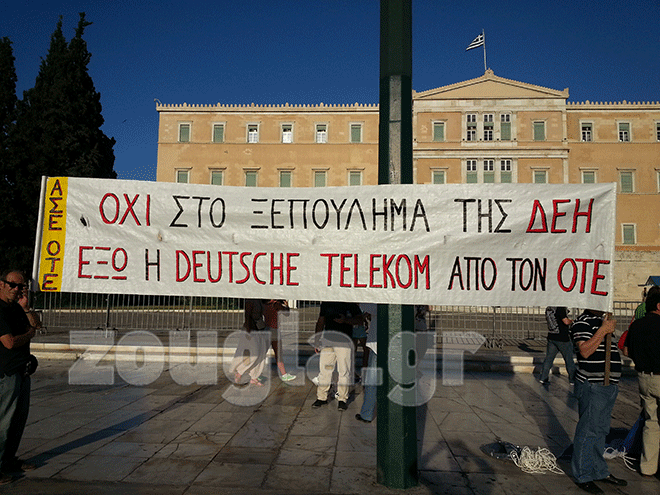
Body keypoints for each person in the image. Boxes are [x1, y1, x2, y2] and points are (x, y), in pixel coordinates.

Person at [570, 309, 627, 493]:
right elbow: (585, 351)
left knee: (601, 430)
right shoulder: (582, 322)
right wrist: (603, 330)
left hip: (608, 384)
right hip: (593, 384)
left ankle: (598, 470)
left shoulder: (603, 321)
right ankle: (583, 474)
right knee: (588, 430)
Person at [0, 270, 40, 484]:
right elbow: (9, 342)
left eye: (21, 286)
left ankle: (8, 460)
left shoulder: (16, 308)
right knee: (4, 421)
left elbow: (36, 324)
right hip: (7, 373)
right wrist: (29, 334)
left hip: (22, 371)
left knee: (17, 420)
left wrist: (26, 308)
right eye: (12, 285)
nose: (17, 289)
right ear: (1, 284)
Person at [624, 288, 660, 478]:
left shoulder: (637, 325)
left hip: (643, 378)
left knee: (651, 422)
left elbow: (626, 350)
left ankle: (648, 467)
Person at [312, 301, 364, 411]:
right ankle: (322, 397)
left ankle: (342, 398)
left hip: (344, 341)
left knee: (344, 371)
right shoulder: (326, 303)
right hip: (328, 341)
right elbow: (321, 321)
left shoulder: (350, 303)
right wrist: (317, 340)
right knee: (324, 370)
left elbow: (360, 320)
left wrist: (345, 320)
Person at [229, 299, 269, 386]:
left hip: (260, 328)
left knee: (261, 354)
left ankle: (254, 377)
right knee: (254, 354)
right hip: (251, 329)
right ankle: (239, 371)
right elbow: (247, 315)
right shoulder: (251, 299)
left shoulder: (261, 299)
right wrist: (248, 330)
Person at [539, 306, 576, 384]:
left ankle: (543, 378)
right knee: (569, 360)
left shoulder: (549, 308)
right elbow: (566, 321)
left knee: (548, 359)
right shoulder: (560, 308)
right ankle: (572, 379)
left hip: (552, 336)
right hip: (562, 338)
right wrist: (572, 321)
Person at [263, 299, 296, 382]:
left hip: (266, 329)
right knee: (278, 353)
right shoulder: (276, 304)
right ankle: (284, 374)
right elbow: (286, 313)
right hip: (274, 330)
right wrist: (286, 305)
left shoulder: (264, 304)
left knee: (262, 352)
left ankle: (254, 374)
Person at [355, 303, 377, 423]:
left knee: (372, 382)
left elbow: (366, 305)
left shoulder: (376, 303)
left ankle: (367, 414)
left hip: (377, 346)